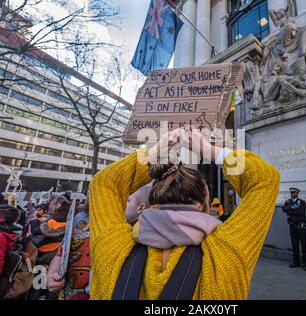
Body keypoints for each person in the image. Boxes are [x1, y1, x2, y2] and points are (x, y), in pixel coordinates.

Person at [89, 126, 280, 299]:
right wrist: (209, 150)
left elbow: (104, 183)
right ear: (199, 205)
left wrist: (158, 148)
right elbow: (266, 179)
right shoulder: (225, 252)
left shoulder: (113, 247)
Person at [47, 201, 91, 300]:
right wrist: (52, 274)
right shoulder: (79, 217)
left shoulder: (126, 220)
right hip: (69, 294)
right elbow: (60, 255)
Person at [29, 196, 70, 265]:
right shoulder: (70, 225)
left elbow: (34, 240)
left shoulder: (50, 223)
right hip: (56, 255)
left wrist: (35, 221)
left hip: (41, 256)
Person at [282, 187, 306, 271]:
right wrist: (293, 209)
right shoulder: (287, 201)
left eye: (294, 193)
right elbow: (284, 208)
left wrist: (290, 210)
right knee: (294, 245)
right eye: (292, 193)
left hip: (301, 226)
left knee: (304, 246)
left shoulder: (302, 202)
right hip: (292, 226)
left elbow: (300, 212)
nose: (293, 194)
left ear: (297, 193)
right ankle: (296, 262)